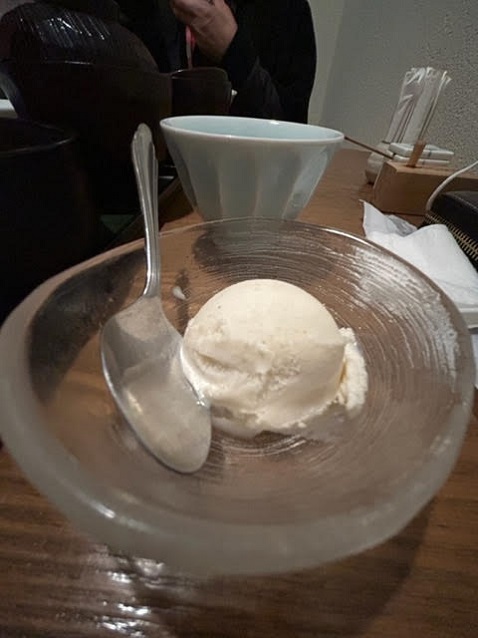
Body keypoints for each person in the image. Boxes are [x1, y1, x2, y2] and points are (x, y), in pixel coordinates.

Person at [116, 0, 317, 123]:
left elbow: (292, 141)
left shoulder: (287, 11)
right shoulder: (137, 9)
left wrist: (233, 51)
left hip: (243, 172)